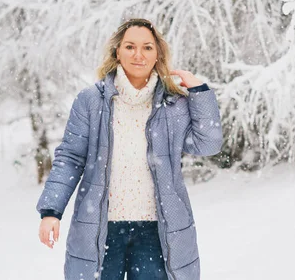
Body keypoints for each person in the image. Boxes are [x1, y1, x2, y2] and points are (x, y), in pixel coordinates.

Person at [36, 18, 223, 280]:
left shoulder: (173, 105)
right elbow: (70, 157)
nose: (138, 54)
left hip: (157, 230)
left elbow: (208, 144)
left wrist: (200, 92)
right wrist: (51, 211)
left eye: (147, 47)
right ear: (117, 52)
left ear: (157, 53)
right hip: (101, 229)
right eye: (130, 46)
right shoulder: (91, 101)